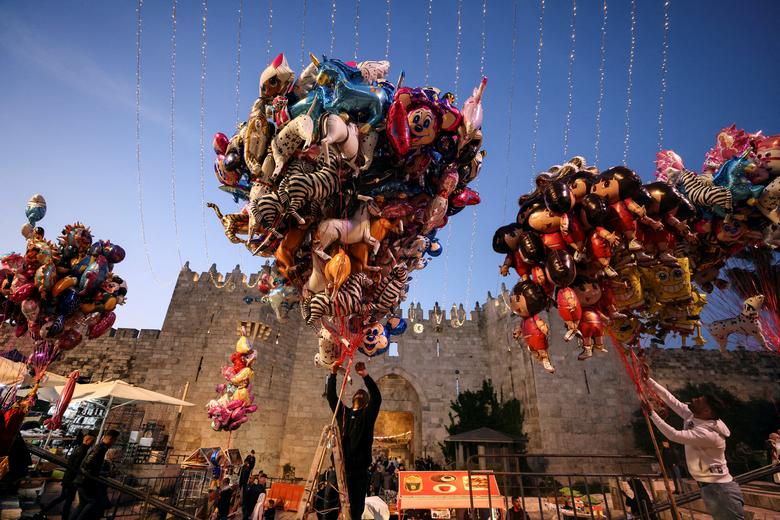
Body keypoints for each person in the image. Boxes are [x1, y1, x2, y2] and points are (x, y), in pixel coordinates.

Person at [644, 378, 744, 520]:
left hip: (721, 490)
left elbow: (674, 435)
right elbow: (670, 399)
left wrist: (652, 414)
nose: (693, 399)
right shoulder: (694, 415)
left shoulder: (709, 434)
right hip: (710, 487)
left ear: (706, 411)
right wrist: (647, 380)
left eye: (698, 400)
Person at [327, 361, 382, 520]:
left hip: (358, 472)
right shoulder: (343, 414)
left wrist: (365, 375)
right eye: (358, 393)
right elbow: (331, 397)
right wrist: (333, 374)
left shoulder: (367, 416)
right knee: (330, 505)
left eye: (362, 393)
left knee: (355, 510)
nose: (359, 393)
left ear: (365, 401)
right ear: (353, 399)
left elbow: (377, 398)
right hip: (339, 468)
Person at [38, 430, 96, 520]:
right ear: (87, 441)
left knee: (63, 498)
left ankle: (43, 511)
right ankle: (63, 517)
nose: (93, 443)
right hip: (71, 480)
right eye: (92, 441)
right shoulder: (83, 451)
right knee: (68, 500)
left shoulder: (78, 448)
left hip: (68, 478)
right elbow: (76, 466)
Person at [72, 429, 119, 520]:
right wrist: (102, 473)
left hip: (82, 480)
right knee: (93, 502)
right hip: (85, 481)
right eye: (114, 440)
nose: (114, 443)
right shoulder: (100, 448)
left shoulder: (100, 447)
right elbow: (88, 464)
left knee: (82, 504)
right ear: (111, 439)